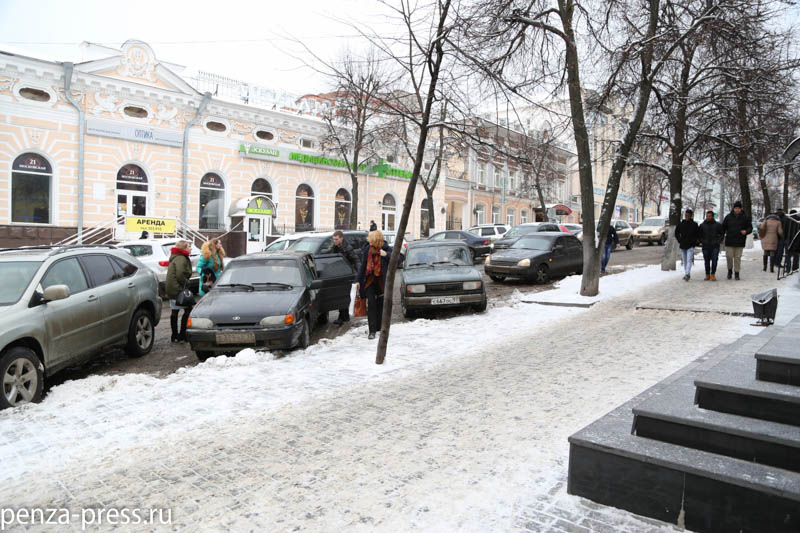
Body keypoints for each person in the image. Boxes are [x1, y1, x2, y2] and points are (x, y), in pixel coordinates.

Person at [356, 230, 392, 339]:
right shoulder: (367, 249)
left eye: (371, 241)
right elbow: (363, 266)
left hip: (381, 281)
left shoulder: (386, 249)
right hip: (370, 280)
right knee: (371, 304)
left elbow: (398, 259)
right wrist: (357, 280)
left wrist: (386, 255)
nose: (369, 243)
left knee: (381, 305)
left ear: (376, 240)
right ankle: (372, 331)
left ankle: (379, 327)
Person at [165, 240, 193, 342]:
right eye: (189, 246)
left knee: (175, 311)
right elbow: (180, 274)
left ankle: (174, 335)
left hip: (171, 287)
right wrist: (186, 283)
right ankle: (182, 334)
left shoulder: (176, 257)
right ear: (184, 248)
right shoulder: (182, 258)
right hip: (178, 288)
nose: (190, 248)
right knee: (188, 309)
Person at [331, 230, 361, 325]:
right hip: (339, 273)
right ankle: (344, 316)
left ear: (341, 238)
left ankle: (342, 317)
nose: (334, 241)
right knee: (341, 295)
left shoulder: (348, 248)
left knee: (343, 295)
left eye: (336, 239)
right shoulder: (335, 248)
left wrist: (359, 273)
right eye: (334, 239)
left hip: (347, 274)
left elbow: (356, 260)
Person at [721, 200, 753, 280]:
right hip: (729, 240)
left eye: (739, 208)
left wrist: (746, 231)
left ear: (741, 209)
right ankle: (729, 270)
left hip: (740, 241)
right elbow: (723, 227)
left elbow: (750, 228)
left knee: (737, 258)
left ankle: (737, 273)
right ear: (733, 208)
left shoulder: (745, 217)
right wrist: (721, 236)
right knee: (729, 257)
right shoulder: (728, 217)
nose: (737, 209)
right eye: (736, 208)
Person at [698, 210, 724, 281]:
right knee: (706, 261)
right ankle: (707, 274)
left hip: (715, 246)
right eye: (707, 216)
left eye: (709, 216)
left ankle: (713, 274)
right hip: (706, 246)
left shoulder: (717, 225)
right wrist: (702, 241)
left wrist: (718, 241)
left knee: (715, 260)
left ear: (712, 217)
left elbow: (722, 234)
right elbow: (699, 235)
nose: (708, 217)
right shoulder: (702, 225)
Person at [674, 209, 700, 281]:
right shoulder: (681, 224)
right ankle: (687, 273)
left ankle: (687, 274)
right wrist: (680, 240)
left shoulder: (694, 224)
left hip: (690, 246)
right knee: (685, 261)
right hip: (683, 245)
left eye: (688, 215)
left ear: (691, 216)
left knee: (689, 260)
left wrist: (694, 243)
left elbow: (697, 235)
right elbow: (676, 233)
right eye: (686, 215)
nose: (687, 216)